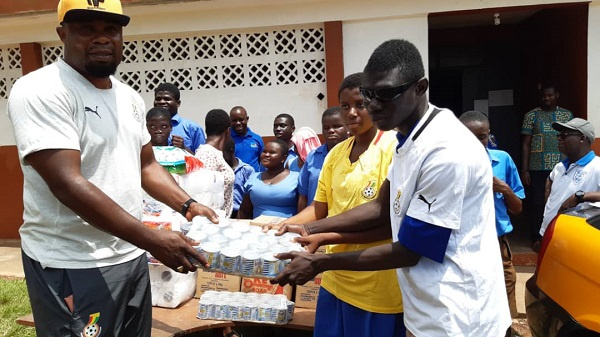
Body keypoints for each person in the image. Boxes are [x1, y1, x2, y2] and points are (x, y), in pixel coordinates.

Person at [272, 39, 511, 337]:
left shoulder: (446, 152)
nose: (372, 105)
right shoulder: (407, 140)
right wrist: (307, 230)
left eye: (384, 95)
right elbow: (380, 208)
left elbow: (411, 250)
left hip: (459, 317)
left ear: (420, 88)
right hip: (426, 310)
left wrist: (321, 262)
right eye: (369, 94)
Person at [7, 1, 218, 336]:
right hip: (72, 263)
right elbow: (66, 183)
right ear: (62, 34)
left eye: (111, 30)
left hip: (129, 256)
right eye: (87, 29)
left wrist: (188, 206)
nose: (102, 38)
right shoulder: (41, 90)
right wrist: (153, 239)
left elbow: (146, 164)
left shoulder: (129, 98)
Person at [278, 73, 404, 337]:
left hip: (375, 281)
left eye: (360, 104)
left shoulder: (393, 150)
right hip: (334, 276)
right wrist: (287, 225)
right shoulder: (335, 154)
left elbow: (388, 223)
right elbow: (320, 208)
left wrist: (317, 232)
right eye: (345, 106)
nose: (352, 113)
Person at [460, 110, 525, 327]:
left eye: (482, 136)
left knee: (506, 281)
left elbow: (517, 209)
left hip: (497, 240)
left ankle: (506, 327)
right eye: (470, 137)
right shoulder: (451, 165)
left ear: (489, 135)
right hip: (466, 241)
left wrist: (505, 189)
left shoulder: (503, 160)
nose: (478, 142)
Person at [521, 84, 573, 245]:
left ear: (557, 95)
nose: (547, 98)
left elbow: (571, 140)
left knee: (560, 201)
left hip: (561, 166)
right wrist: (525, 169)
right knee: (537, 203)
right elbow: (526, 144)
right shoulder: (532, 116)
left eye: (550, 95)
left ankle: (558, 235)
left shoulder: (567, 115)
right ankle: (537, 237)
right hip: (537, 167)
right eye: (544, 96)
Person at [539, 118, 600, 236]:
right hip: (549, 233)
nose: (559, 138)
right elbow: (550, 180)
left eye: (565, 135)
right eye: (559, 134)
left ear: (582, 138)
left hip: (575, 238)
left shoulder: (596, 166)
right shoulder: (559, 167)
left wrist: (579, 197)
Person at [297, 106, 348, 211]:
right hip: (314, 218)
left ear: (347, 127)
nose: (331, 131)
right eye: (326, 127)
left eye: (337, 126)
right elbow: (303, 196)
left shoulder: (356, 153)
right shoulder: (313, 157)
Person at [237, 139, 299, 219]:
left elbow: (303, 209)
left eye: (272, 152)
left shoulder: (296, 178)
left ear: (283, 158)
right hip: (258, 228)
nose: (266, 155)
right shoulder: (254, 178)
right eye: (264, 151)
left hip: (285, 229)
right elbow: (244, 210)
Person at [195, 109, 235, 217]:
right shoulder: (207, 154)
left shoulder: (216, 154)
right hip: (210, 224)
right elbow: (203, 195)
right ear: (228, 131)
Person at [154, 82, 206, 153]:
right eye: (158, 99)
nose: (162, 102)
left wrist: (184, 148)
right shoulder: (146, 129)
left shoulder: (192, 128)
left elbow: (202, 160)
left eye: (167, 99)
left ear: (178, 103)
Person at [223, 138, 255, 218]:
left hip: (241, 213)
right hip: (223, 213)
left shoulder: (246, 170)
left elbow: (252, 196)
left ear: (231, 151)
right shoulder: (218, 170)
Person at [229, 106, 264, 172]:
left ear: (247, 119)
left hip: (253, 179)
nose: (238, 123)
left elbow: (262, 161)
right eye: (234, 120)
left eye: (241, 120)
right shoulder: (226, 140)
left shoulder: (257, 139)